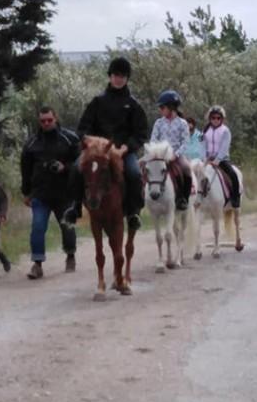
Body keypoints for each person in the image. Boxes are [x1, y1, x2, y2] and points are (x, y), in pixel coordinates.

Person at [63, 56, 148, 231]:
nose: (119, 79)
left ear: (127, 79)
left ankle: (133, 213)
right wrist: (90, 142)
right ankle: (75, 207)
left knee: (134, 174)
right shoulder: (97, 101)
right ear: (110, 76)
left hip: (123, 150)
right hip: (97, 152)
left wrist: (127, 147)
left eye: (123, 76)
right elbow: (82, 128)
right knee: (76, 168)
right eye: (116, 75)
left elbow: (141, 133)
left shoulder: (133, 105)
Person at [20, 106, 80, 279]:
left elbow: (79, 164)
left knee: (67, 226)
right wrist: (26, 192)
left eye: (49, 120)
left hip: (65, 193)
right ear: (39, 122)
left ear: (56, 118)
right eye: (42, 121)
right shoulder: (31, 144)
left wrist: (65, 167)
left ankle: (70, 256)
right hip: (40, 194)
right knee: (37, 227)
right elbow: (25, 169)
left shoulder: (70, 138)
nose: (46, 123)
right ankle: (37, 265)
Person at [150, 90, 192, 210]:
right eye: (160, 107)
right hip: (159, 155)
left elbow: (185, 143)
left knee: (187, 169)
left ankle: (184, 198)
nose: (160, 110)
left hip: (176, 155)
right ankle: (145, 195)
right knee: (143, 167)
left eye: (162, 107)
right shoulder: (158, 123)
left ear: (171, 107)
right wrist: (155, 153)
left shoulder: (182, 123)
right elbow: (153, 140)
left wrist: (176, 155)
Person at [202, 105, 240, 208]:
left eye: (218, 118)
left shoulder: (225, 131)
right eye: (213, 118)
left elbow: (224, 147)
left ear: (222, 119)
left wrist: (217, 160)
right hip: (207, 159)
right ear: (210, 118)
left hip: (222, 159)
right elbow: (203, 145)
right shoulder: (206, 130)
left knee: (233, 174)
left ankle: (235, 198)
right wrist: (204, 158)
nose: (215, 120)